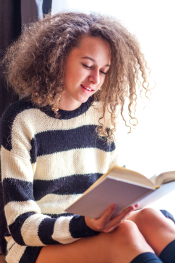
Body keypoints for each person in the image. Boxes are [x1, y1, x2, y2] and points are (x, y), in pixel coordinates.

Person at [0, 11, 175, 263]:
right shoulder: (21, 120)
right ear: (57, 58)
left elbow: (115, 182)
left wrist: (126, 204)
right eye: (87, 65)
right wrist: (86, 225)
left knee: (152, 218)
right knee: (125, 234)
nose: (95, 79)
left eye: (104, 70)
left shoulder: (101, 113)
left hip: (92, 227)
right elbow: (20, 225)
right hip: (36, 244)